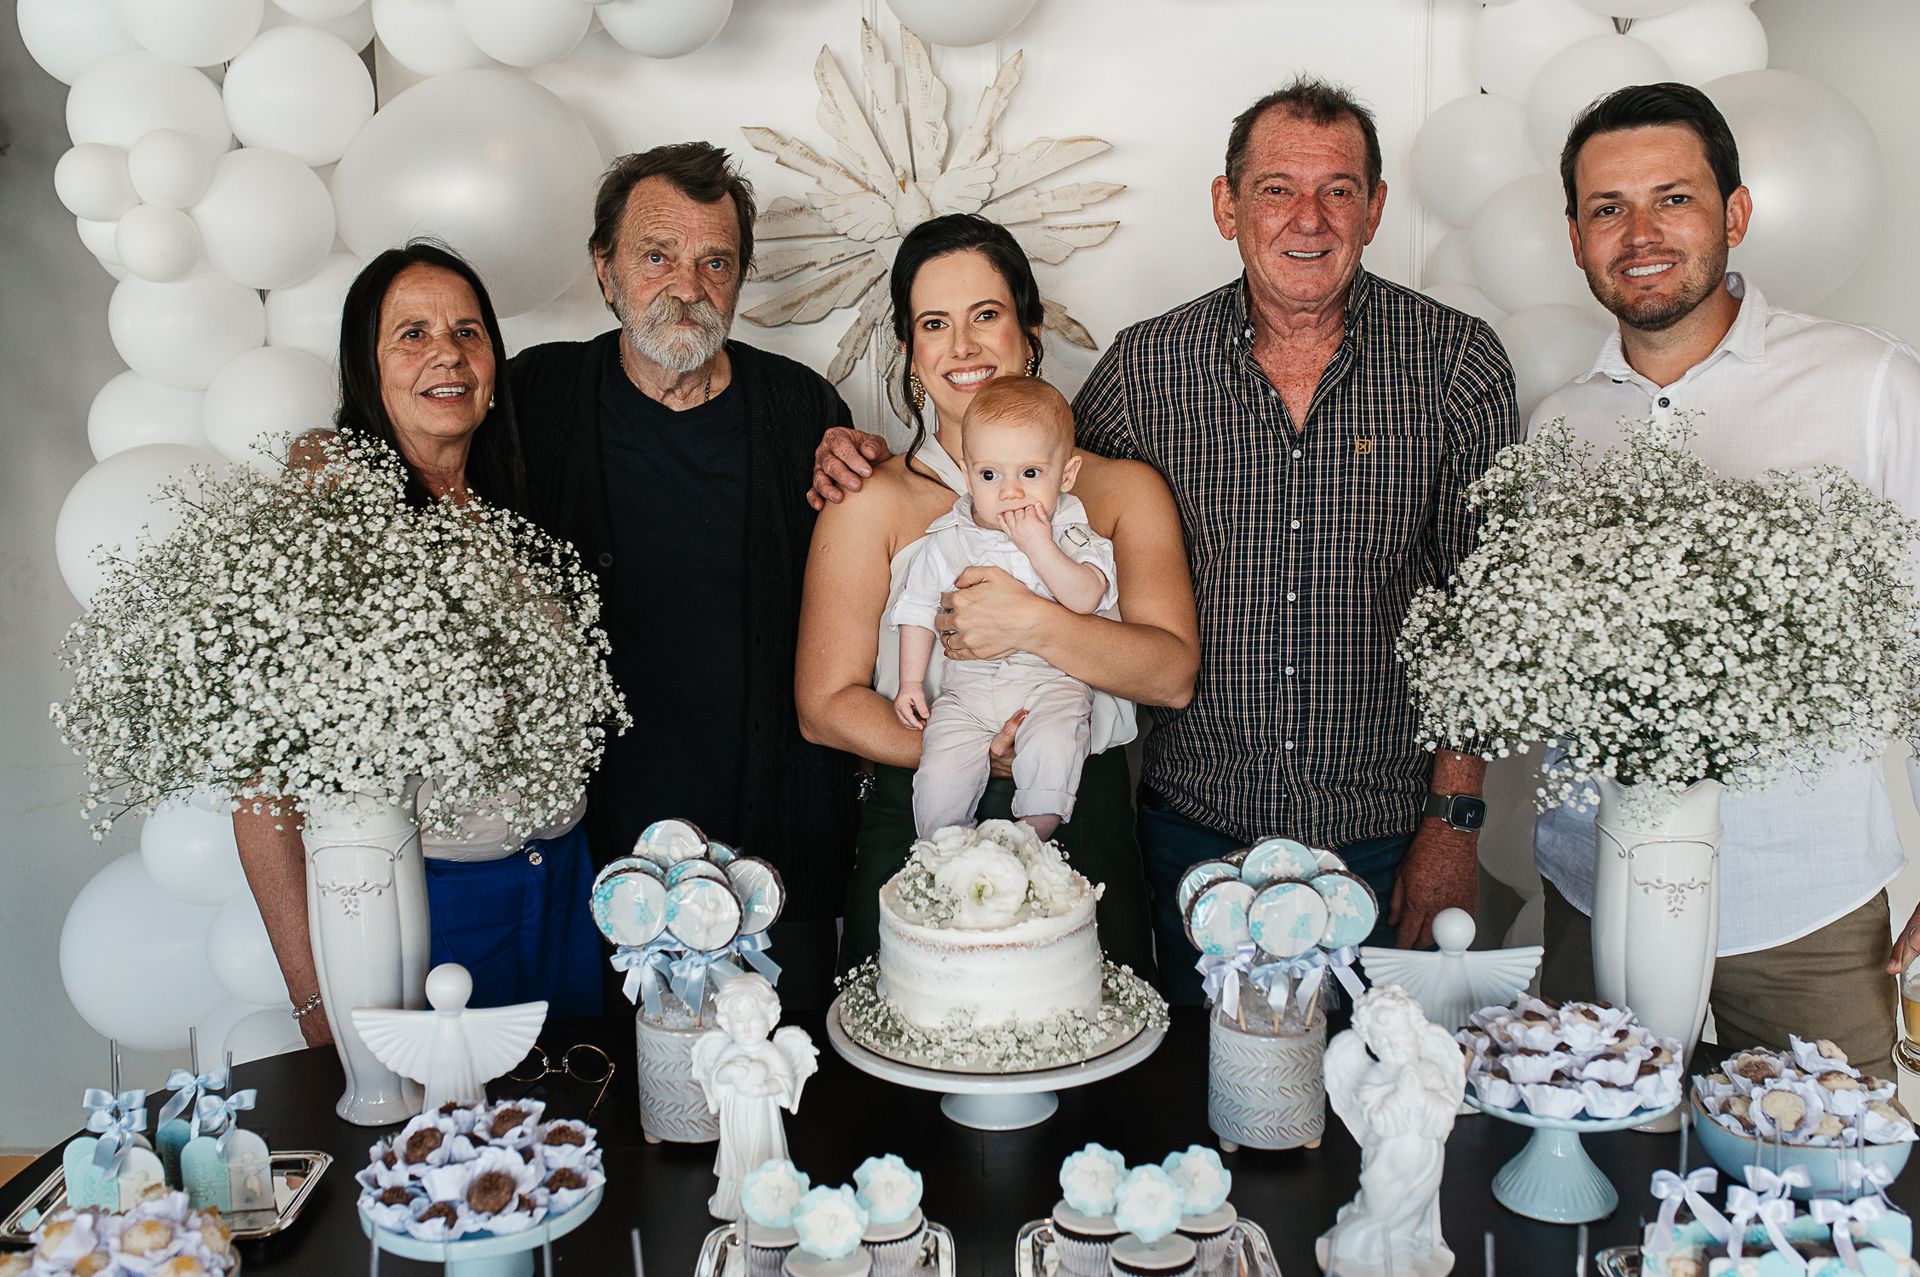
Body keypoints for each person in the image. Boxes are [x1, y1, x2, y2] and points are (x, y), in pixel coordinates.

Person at [813, 79, 1519, 999]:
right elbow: (830, 690)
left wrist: (1454, 819)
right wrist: (855, 444)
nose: (1308, 218)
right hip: (1195, 824)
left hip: (1383, 823)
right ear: (1227, 206)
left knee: (1384, 1105)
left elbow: (1485, 606)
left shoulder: (1454, 362)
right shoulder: (1148, 371)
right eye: (1275, 189)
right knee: (1187, 1107)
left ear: (1376, 207)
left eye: (1338, 189)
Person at [1532, 82, 1920, 1077]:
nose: (1641, 233)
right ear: (1575, 237)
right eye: (1607, 209)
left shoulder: (1868, 384)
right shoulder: (1561, 426)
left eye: (1674, 198)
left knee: (1828, 1209)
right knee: (1586, 1196)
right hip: (1595, 891)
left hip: (1804, 911)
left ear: (1735, 213)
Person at [795, 213, 1199, 975]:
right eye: (935, 324)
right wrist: (976, 750)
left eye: (987, 315)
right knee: (910, 1061)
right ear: (911, 352)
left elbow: (1170, 674)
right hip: (918, 807)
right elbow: (823, 706)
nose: (964, 346)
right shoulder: (867, 497)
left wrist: (1034, 622)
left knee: (1090, 1059)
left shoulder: (1119, 490)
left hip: (1083, 804)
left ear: (1031, 329)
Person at [505, 142, 858, 1007]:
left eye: (715, 262)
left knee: (776, 1096)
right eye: (657, 256)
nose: (687, 285)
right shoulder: (536, 398)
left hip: (771, 845)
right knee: (604, 1102)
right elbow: (414, 466)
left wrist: (872, 476)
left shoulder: (801, 409)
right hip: (587, 845)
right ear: (605, 269)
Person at [234, 242, 603, 1046]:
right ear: (366, 367)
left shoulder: (512, 519)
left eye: (469, 332)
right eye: (413, 333)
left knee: (572, 1142)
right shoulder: (333, 522)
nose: (448, 353)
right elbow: (262, 793)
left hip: (568, 896)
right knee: (439, 1157)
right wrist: (316, 1000)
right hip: (433, 910)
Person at [892, 377, 1117, 840]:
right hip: (966, 691)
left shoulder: (1073, 536)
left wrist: (1040, 546)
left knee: (1057, 741)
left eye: (1030, 474)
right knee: (939, 768)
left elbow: (1085, 597)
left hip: (1048, 683)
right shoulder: (946, 540)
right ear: (968, 472)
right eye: (990, 475)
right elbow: (917, 610)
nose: (1010, 492)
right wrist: (911, 682)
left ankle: (1033, 832)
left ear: (1066, 475)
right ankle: (944, 845)